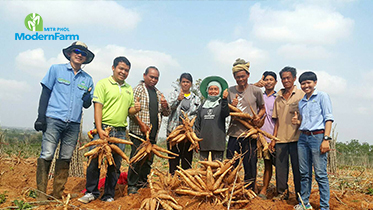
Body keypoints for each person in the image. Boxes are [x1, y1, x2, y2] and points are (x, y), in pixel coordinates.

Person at [34, 41, 95, 200]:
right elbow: (45, 93)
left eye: (83, 53)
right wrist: (41, 117)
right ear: (69, 53)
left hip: (73, 124)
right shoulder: (56, 69)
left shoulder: (87, 79)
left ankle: (57, 193)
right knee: (47, 154)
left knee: (65, 157)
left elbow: (87, 104)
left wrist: (88, 98)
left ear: (86, 58)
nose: (79, 54)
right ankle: (40, 195)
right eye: (76, 51)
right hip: (54, 119)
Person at [78, 56, 140, 203]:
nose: (123, 72)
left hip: (120, 132)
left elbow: (128, 111)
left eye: (126, 70)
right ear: (113, 68)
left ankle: (109, 194)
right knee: (94, 161)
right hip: (103, 129)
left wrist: (135, 109)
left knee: (115, 164)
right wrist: (99, 129)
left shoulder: (128, 89)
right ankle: (91, 192)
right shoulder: (103, 84)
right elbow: (97, 107)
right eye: (121, 69)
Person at [127, 66, 170, 194]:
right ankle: (132, 185)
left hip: (152, 133)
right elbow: (130, 111)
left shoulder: (158, 93)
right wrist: (140, 124)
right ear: (144, 75)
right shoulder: (137, 90)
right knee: (136, 158)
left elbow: (166, 113)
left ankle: (143, 182)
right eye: (151, 77)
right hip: (139, 133)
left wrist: (165, 105)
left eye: (156, 78)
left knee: (148, 160)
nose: (153, 80)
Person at [293, 71, 333, 210]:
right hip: (303, 138)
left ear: (315, 83)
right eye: (303, 83)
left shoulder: (322, 96)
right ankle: (304, 203)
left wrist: (326, 139)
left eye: (308, 83)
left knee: (320, 174)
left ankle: (324, 206)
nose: (305, 86)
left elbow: (328, 118)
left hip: (318, 137)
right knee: (304, 173)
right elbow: (305, 121)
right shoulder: (302, 101)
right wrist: (297, 121)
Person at [226, 58, 265, 191]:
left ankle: (249, 191)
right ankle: (232, 190)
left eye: (243, 76)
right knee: (231, 165)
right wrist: (232, 106)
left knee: (250, 165)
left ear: (248, 75)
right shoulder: (229, 91)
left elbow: (263, 108)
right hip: (233, 133)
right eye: (238, 77)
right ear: (234, 77)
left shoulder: (256, 91)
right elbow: (225, 110)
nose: (241, 79)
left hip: (250, 134)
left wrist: (257, 118)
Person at [269, 66, 304, 200]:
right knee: (280, 169)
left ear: (294, 78)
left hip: (297, 138)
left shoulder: (301, 95)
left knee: (298, 169)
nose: (286, 80)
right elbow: (277, 121)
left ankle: (300, 195)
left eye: (288, 78)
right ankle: (282, 193)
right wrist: (273, 138)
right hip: (281, 139)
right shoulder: (278, 97)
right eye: (283, 78)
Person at [166, 73, 201, 174]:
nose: (185, 84)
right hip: (174, 131)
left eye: (187, 82)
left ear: (191, 84)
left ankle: (185, 182)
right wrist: (178, 99)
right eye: (183, 82)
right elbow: (168, 109)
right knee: (173, 159)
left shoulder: (196, 98)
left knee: (187, 160)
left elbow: (197, 115)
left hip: (188, 133)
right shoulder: (174, 94)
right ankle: (173, 181)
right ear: (180, 83)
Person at [196, 76, 229, 161]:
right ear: (207, 90)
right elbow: (197, 124)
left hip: (217, 144)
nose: (213, 91)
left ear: (220, 91)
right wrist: (196, 139)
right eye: (211, 89)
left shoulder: (222, 104)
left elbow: (225, 114)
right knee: (203, 170)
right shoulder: (202, 106)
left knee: (217, 171)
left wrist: (225, 100)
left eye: (216, 89)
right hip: (204, 144)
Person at [257, 71, 277, 199]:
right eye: (266, 80)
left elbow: (279, 120)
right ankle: (254, 186)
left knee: (269, 163)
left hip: (271, 136)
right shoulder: (259, 95)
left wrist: (274, 138)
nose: (268, 82)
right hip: (258, 135)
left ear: (275, 82)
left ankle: (265, 188)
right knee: (253, 162)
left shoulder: (279, 97)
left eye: (271, 79)